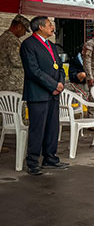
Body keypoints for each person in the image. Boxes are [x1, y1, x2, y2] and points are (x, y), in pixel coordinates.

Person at [20, 16, 68, 175]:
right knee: (37, 129)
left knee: (52, 128)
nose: (52, 27)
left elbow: (59, 67)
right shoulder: (28, 45)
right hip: (38, 94)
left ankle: (50, 158)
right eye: (49, 24)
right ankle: (33, 162)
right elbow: (33, 71)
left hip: (54, 94)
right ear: (40, 27)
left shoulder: (52, 46)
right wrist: (53, 85)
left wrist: (60, 84)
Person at [0, 14, 30, 93]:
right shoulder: (13, 41)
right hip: (13, 83)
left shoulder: (3, 37)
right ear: (19, 26)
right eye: (24, 30)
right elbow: (16, 61)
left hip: (4, 82)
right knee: (15, 105)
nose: (24, 33)